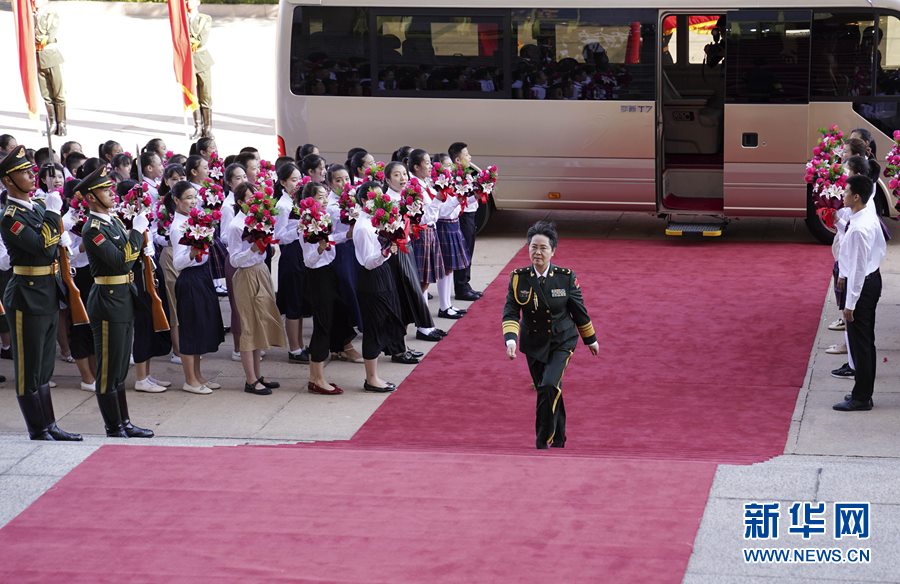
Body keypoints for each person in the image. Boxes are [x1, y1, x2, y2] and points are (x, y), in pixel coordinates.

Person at [0, 145, 80, 441]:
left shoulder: (34, 207)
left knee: (45, 363)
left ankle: (50, 424)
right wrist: (52, 212)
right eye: (23, 172)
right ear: (7, 180)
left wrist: (49, 212)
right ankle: (37, 428)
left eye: (31, 170)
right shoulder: (10, 216)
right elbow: (43, 247)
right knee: (28, 365)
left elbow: (56, 243)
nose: (32, 176)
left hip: (47, 290)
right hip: (26, 295)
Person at [502, 220, 599, 448]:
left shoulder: (565, 277)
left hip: (561, 341)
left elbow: (579, 311)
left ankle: (541, 440)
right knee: (551, 388)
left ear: (553, 251)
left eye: (543, 248)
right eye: (533, 247)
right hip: (533, 343)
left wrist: (590, 339)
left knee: (547, 387)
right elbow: (511, 311)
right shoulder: (519, 278)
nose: (537, 252)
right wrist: (510, 341)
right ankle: (558, 438)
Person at [79, 166, 154, 438]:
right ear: (90, 198)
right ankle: (113, 426)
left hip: (123, 297)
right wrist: (136, 233)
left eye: (111, 189)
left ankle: (125, 423)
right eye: (104, 190)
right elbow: (120, 260)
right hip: (108, 301)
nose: (112, 193)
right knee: (109, 368)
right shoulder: (93, 229)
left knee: (120, 366)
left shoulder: (112, 222)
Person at [225, 182, 284, 395]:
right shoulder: (236, 226)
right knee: (248, 326)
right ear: (240, 202)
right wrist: (253, 248)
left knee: (260, 324)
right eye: (250, 199)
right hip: (246, 275)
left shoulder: (258, 220)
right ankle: (250, 379)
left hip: (260, 271)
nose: (255, 203)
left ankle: (258, 376)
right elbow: (234, 259)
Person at [299, 182, 357, 394]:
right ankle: (317, 379)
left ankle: (316, 376)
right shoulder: (306, 223)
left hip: (328, 272)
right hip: (317, 276)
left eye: (325, 196)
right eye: (321, 197)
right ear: (310, 200)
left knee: (331, 321)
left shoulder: (321, 218)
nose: (325, 201)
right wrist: (321, 249)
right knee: (322, 326)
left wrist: (346, 236)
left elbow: (330, 241)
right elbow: (309, 260)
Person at [833, 175, 884, 412]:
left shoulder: (859, 229)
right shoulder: (865, 217)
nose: (842, 194)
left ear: (856, 197)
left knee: (860, 344)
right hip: (872, 279)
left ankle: (862, 396)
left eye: (846, 192)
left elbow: (858, 269)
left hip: (863, 286)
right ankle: (863, 391)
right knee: (866, 342)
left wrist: (850, 305)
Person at [168, 181, 224, 393]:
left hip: (202, 276)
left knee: (201, 327)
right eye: (188, 198)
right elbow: (178, 262)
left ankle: (198, 376)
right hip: (189, 278)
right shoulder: (178, 226)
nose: (193, 202)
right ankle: (190, 379)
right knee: (191, 330)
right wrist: (193, 251)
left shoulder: (195, 220)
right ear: (176, 200)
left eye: (194, 197)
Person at [352, 181, 405, 392]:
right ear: (364, 200)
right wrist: (385, 251)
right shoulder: (364, 227)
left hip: (382, 273)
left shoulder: (376, 222)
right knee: (374, 327)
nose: (381, 201)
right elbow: (367, 261)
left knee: (385, 321)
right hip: (371, 278)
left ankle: (375, 374)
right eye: (375, 198)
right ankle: (371, 378)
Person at [274, 162, 310, 363]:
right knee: (293, 304)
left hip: (301, 254)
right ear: (283, 182)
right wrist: (298, 228)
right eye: (293, 180)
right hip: (290, 255)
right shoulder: (283, 205)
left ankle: (300, 345)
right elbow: (278, 236)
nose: (297, 183)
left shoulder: (298, 201)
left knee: (300, 302)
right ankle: (294, 348)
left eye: (299, 179)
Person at [448, 142, 483, 301]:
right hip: (463, 216)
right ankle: (461, 287)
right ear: (457, 160)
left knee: (469, 250)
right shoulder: (456, 177)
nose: (469, 157)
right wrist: (475, 196)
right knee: (464, 251)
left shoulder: (466, 173)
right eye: (466, 155)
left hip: (470, 215)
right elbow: (459, 200)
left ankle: (466, 284)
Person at [33, 0, 67, 136]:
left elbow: (46, 38)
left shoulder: (51, 14)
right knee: (46, 95)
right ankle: (52, 123)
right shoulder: (31, 15)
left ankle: (62, 124)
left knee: (58, 94)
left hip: (51, 57)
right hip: (38, 58)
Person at [188, 0, 215, 138]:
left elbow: (200, 40)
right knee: (193, 97)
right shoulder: (180, 21)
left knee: (206, 95)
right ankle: (198, 126)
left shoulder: (204, 19)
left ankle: (208, 128)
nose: (187, 2)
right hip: (188, 64)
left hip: (202, 61)